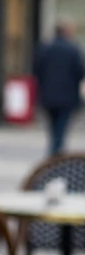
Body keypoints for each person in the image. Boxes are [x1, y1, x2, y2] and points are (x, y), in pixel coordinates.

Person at [34, 19, 85, 155]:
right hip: (67, 97)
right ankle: (55, 155)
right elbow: (80, 72)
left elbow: (37, 71)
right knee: (60, 129)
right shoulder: (73, 49)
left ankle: (54, 152)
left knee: (53, 128)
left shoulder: (45, 48)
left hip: (47, 96)